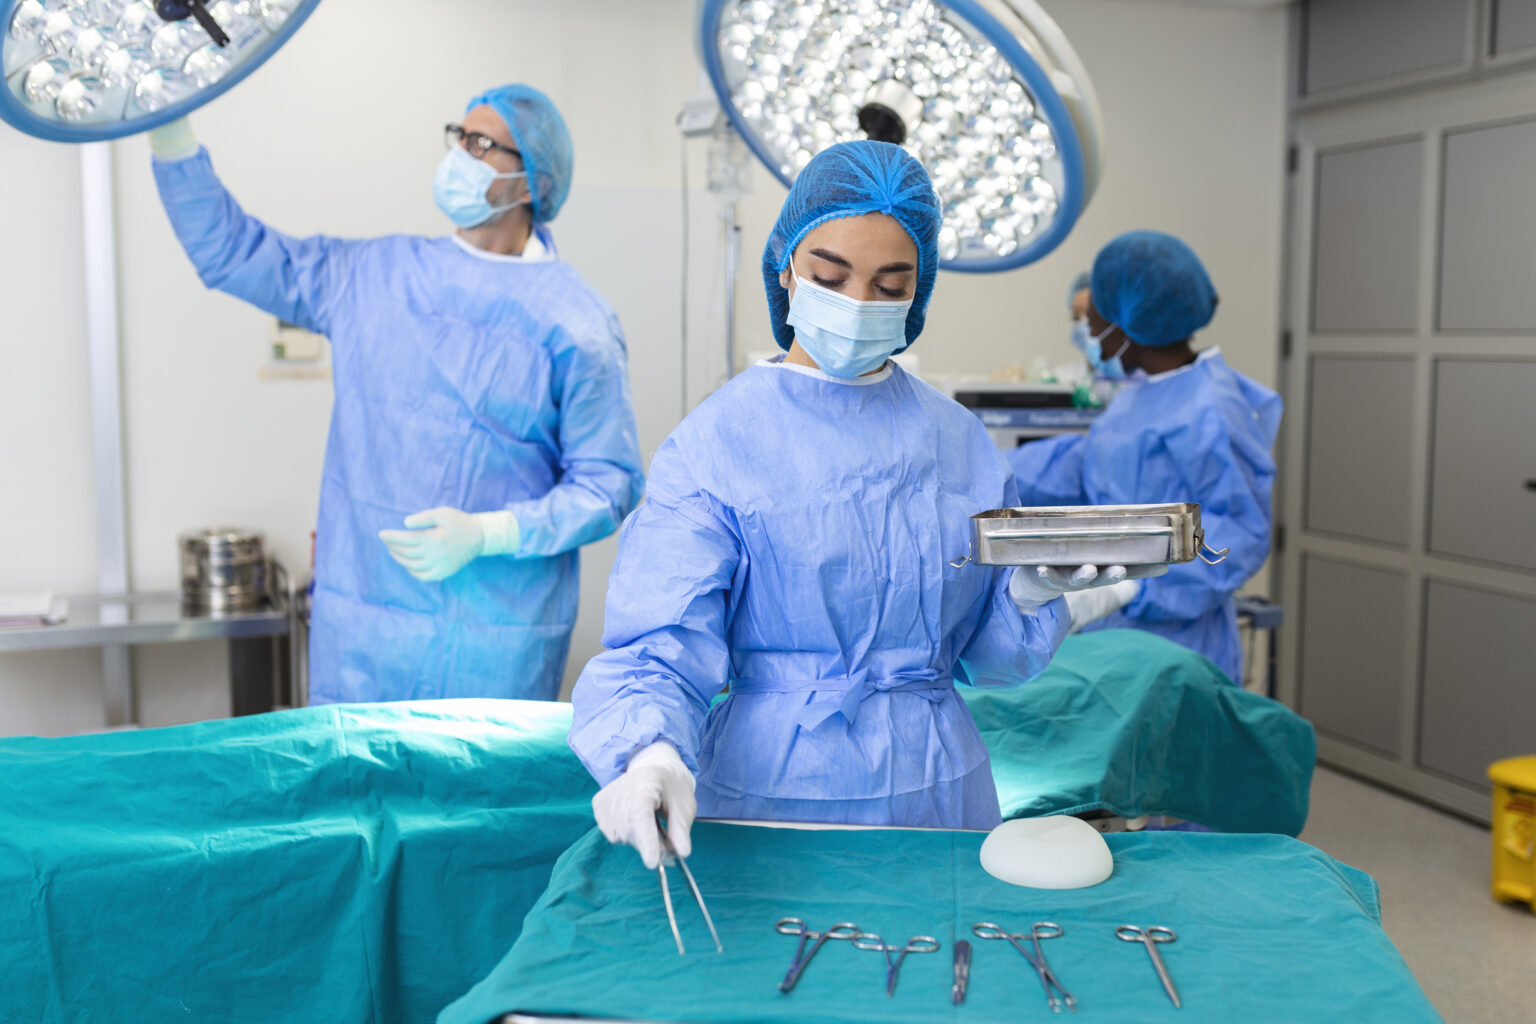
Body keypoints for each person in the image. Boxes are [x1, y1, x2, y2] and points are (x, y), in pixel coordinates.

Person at [568, 141, 1135, 868]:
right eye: (830, 277)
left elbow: (990, 659)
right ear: (786, 267)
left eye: (888, 284)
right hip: (771, 801)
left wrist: (1028, 593)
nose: (858, 304)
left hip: (939, 791)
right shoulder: (717, 443)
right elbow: (659, 647)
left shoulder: (958, 441)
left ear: (918, 294)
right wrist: (648, 752)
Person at [147, 85, 644, 703]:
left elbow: (609, 484)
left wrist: (492, 532)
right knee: (355, 790)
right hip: (362, 642)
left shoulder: (577, 323)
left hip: (496, 647)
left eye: (482, 144)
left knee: (476, 797)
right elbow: (231, 251)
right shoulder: (371, 277)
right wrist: (167, 129)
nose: (461, 155)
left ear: (531, 181)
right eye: (458, 138)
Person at [1007, 231, 1282, 684]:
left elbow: (1240, 533)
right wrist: (979, 462)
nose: (1089, 335)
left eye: (1093, 323)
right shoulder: (1144, 395)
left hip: (1179, 649)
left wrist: (1135, 587)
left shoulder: (1209, 409)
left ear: (1128, 325)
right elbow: (1085, 463)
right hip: (1120, 640)